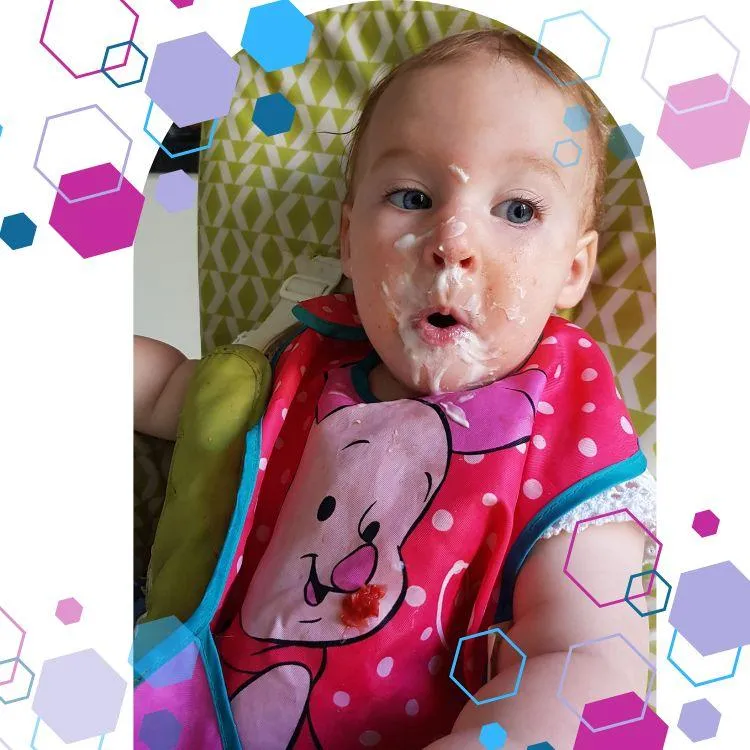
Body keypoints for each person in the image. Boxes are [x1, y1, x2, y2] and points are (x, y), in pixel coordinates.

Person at [135, 28, 656, 750]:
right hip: (202, 716)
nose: (452, 241)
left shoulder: (563, 420)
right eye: (413, 196)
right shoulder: (302, 361)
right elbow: (169, 394)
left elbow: (589, 654)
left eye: (518, 210)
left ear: (574, 268)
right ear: (349, 239)